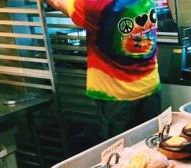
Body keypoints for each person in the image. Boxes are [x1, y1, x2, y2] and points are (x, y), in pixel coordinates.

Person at [47, 0, 164, 138]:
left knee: (119, 152)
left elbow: (58, 3)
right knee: (151, 144)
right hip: (150, 87)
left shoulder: (97, 5)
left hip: (116, 95)